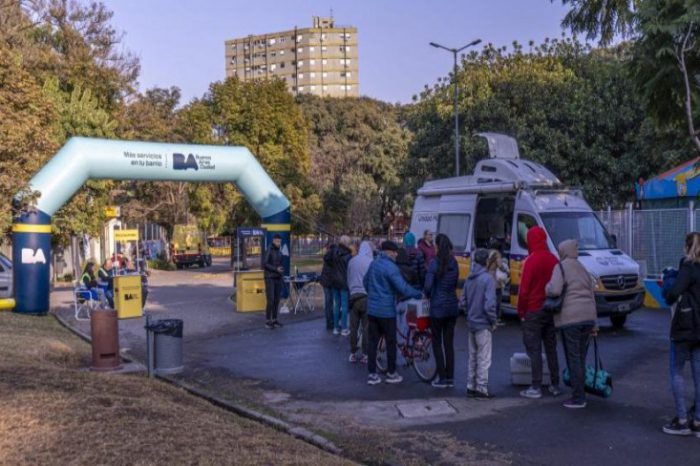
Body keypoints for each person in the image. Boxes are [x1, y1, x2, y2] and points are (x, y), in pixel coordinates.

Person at [545, 239, 597, 409]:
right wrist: (594, 323)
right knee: (581, 358)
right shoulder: (582, 268)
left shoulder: (560, 267)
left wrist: (547, 287)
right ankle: (581, 392)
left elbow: (555, 290)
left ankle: (578, 397)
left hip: (571, 318)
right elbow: (591, 294)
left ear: (562, 251)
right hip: (588, 317)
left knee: (573, 358)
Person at [364, 241, 423, 385]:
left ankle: (372, 374)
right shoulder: (391, 268)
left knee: (372, 342)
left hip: (372, 310)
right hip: (387, 312)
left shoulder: (373, 264)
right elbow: (402, 287)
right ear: (389, 252)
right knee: (391, 342)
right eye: (395, 252)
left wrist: (373, 295)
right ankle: (391, 373)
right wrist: (418, 294)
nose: (397, 254)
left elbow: (365, 282)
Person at [661, 232, 700, 436]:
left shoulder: (688, 266)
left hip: (685, 328)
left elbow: (674, 292)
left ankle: (682, 420)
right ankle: (698, 422)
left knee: (676, 371)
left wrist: (667, 293)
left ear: (687, 247)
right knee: (698, 374)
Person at [518, 226, 561, 399]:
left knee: (534, 349)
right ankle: (555, 384)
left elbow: (524, 291)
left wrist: (521, 312)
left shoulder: (531, 260)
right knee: (551, 348)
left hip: (533, 310)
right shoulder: (553, 259)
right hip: (550, 310)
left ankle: (535, 386)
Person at [460, 248, 498, 399]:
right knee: (484, 357)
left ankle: (470, 386)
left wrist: (469, 314)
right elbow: (489, 305)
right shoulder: (488, 279)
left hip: (472, 323)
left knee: (473, 356)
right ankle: (481, 388)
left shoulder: (469, 278)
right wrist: (493, 321)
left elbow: (462, 301)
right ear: (486, 262)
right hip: (483, 324)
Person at [424, 234, 460, 388]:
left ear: (438, 247)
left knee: (437, 343)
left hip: (438, 308)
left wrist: (427, 295)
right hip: (452, 307)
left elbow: (427, 286)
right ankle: (450, 377)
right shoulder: (454, 262)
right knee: (449, 344)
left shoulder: (434, 263)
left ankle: (441, 378)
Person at [347, 240, 374, 363]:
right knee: (366, 327)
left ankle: (352, 352)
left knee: (353, 327)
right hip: (366, 297)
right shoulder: (370, 262)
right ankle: (365, 354)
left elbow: (348, 278)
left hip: (353, 297)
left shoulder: (352, 261)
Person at [331, 235, 353, 336]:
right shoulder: (349, 255)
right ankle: (344, 328)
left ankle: (336, 327)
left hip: (335, 281)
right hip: (344, 282)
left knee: (336, 305)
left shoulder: (334, 252)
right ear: (347, 243)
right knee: (344, 306)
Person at [262, 234, 284, 329]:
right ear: (274, 241)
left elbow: (279, 264)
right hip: (269, 278)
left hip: (277, 278)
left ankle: (274, 319)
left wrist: (280, 270)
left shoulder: (279, 252)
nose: (279, 243)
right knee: (270, 300)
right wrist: (275, 269)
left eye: (280, 242)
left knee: (276, 300)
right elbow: (264, 264)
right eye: (278, 241)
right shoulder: (269, 250)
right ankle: (268, 321)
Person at [487, 249, 509, 325]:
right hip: (493, 279)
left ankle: (489, 317)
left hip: (487, 278)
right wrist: (506, 271)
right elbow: (500, 266)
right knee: (497, 299)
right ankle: (495, 319)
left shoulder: (489, 253)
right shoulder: (497, 255)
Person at [320, 242, 336, 331]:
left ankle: (328, 322)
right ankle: (332, 321)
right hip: (331, 282)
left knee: (328, 302)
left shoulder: (327, 257)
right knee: (333, 303)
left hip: (325, 282)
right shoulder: (334, 258)